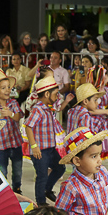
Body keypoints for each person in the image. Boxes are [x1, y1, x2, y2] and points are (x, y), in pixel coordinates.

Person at [24, 76, 68, 205]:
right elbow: (28, 126)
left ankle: (47, 190)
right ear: (47, 94)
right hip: (40, 150)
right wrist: (34, 146)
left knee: (60, 168)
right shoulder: (38, 110)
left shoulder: (48, 108)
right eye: (55, 94)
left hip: (50, 148)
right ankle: (41, 203)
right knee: (42, 176)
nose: (57, 96)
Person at [0, 72, 25, 193]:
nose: (7, 90)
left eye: (8, 87)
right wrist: (0, 117)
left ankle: (17, 188)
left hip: (15, 143)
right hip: (1, 145)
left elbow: (18, 117)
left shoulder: (13, 103)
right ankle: (4, 191)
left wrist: (11, 114)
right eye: (3, 88)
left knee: (17, 170)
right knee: (2, 170)